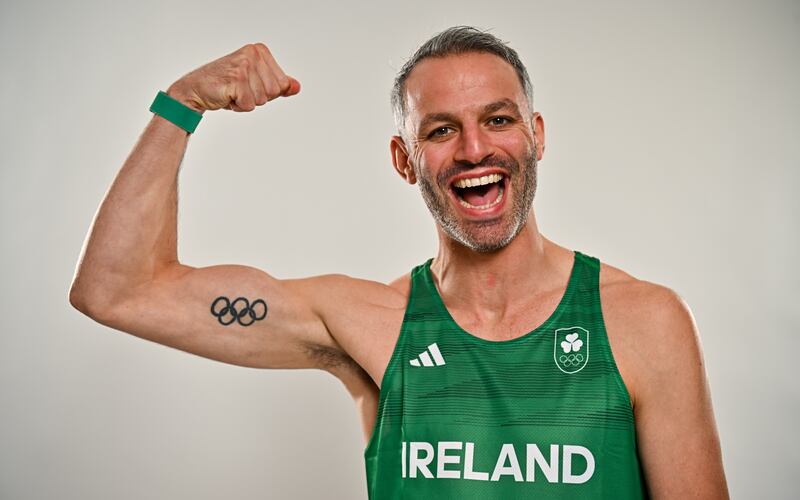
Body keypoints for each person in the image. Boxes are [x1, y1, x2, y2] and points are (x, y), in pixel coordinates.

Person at [69, 26, 729, 499]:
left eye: (498, 120)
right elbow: (117, 290)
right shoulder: (368, 323)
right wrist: (182, 102)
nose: (474, 149)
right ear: (404, 159)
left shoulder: (642, 321)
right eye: (441, 130)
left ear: (536, 136)